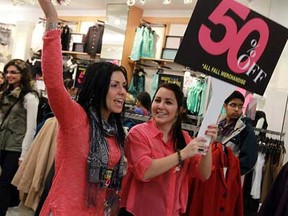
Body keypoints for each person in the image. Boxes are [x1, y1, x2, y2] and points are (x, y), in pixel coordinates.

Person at [37, 0, 128, 215]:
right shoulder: (76, 118)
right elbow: (53, 82)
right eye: (115, 86)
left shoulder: (115, 132)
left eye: (124, 86)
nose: (122, 92)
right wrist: (52, 18)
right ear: (98, 88)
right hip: (63, 210)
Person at [119, 83, 218, 216]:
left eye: (168, 102)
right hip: (139, 212)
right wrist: (182, 154)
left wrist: (208, 144)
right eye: (158, 100)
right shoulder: (138, 133)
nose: (160, 106)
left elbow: (204, 174)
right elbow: (145, 171)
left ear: (179, 110)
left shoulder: (184, 138)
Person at [0, 59, 39, 216]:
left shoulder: (30, 97)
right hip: (1, 143)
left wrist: (24, 154)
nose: (9, 75)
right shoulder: (5, 93)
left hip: (15, 146)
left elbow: (31, 128)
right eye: (7, 72)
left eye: (13, 72)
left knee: (4, 184)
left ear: (23, 74)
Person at [217, 90, 257, 176]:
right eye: (233, 105)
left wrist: (231, 174)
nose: (236, 109)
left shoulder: (245, 129)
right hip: (211, 172)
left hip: (227, 178)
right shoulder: (218, 124)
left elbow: (249, 160)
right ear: (225, 106)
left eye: (240, 106)